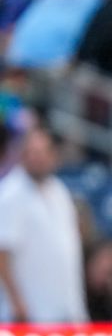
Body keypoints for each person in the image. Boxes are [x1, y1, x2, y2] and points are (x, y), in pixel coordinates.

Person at [0, 126, 88, 323]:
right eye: (32, 152)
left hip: (66, 309)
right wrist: (17, 303)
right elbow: (2, 253)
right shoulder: (10, 193)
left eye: (42, 152)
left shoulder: (59, 191)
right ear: (22, 154)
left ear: (53, 155)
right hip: (29, 314)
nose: (37, 158)